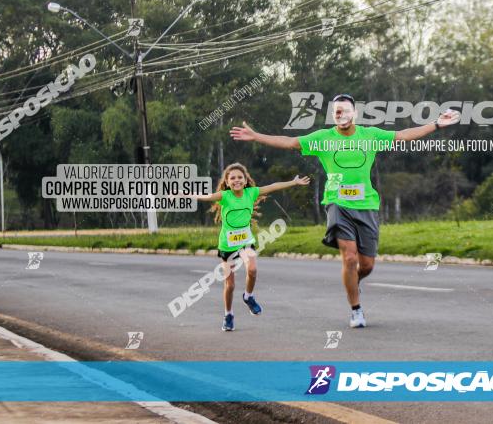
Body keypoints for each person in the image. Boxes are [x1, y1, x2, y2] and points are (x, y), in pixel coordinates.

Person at [230, 94, 459, 328]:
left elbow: (402, 135)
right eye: (337, 111)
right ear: (333, 116)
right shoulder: (323, 138)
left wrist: (437, 124)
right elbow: (290, 142)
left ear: (355, 114)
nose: (342, 115)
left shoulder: (370, 135)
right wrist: (256, 136)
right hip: (337, 203)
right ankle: (356, 310)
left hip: (366, 204)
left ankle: (353, 282)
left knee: (367, 265)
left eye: (346, 110)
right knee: (349, 257)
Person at [194, 162, 310, 331]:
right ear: (227, 182)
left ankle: (248, 296)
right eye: (232, 178)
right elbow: (207, 196)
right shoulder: (225, 196)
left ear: (245, 180)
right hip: (227, 245)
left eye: (240, 177)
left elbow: (273, 186)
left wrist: (293, 182)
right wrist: (183, 194)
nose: (236, 180)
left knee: (253, 269)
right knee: (230, 285)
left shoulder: (251, 192)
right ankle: (228, 315)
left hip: (246, 241)